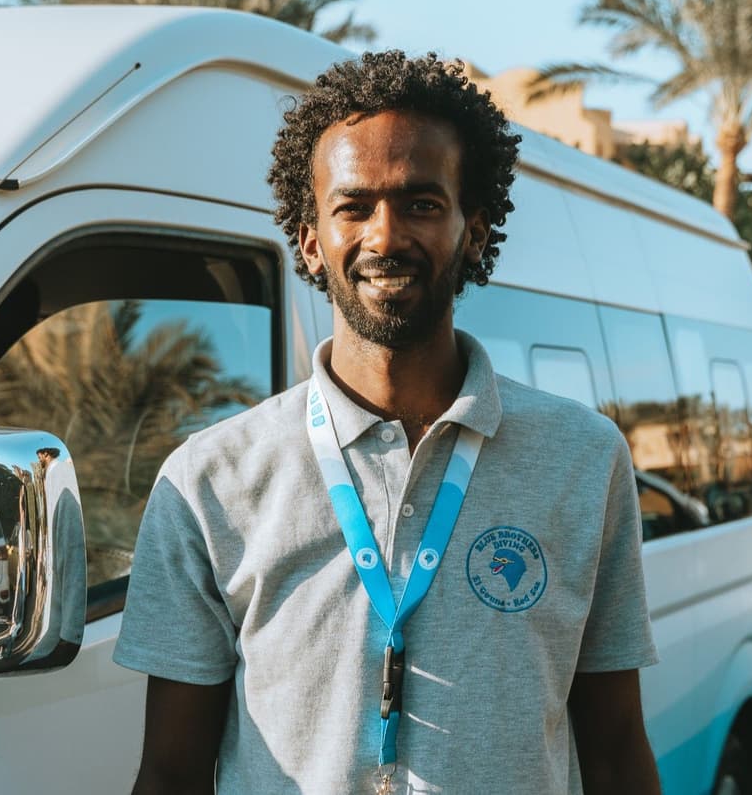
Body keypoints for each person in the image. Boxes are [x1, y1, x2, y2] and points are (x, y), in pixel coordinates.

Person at [115, 51, 661, 793]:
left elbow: (618, 749)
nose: (385, 235)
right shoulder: (209, 479)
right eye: (354, 206)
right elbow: (172, 772)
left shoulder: (583, 459)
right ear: (311, 238)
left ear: (474, 230)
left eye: (422, 203)